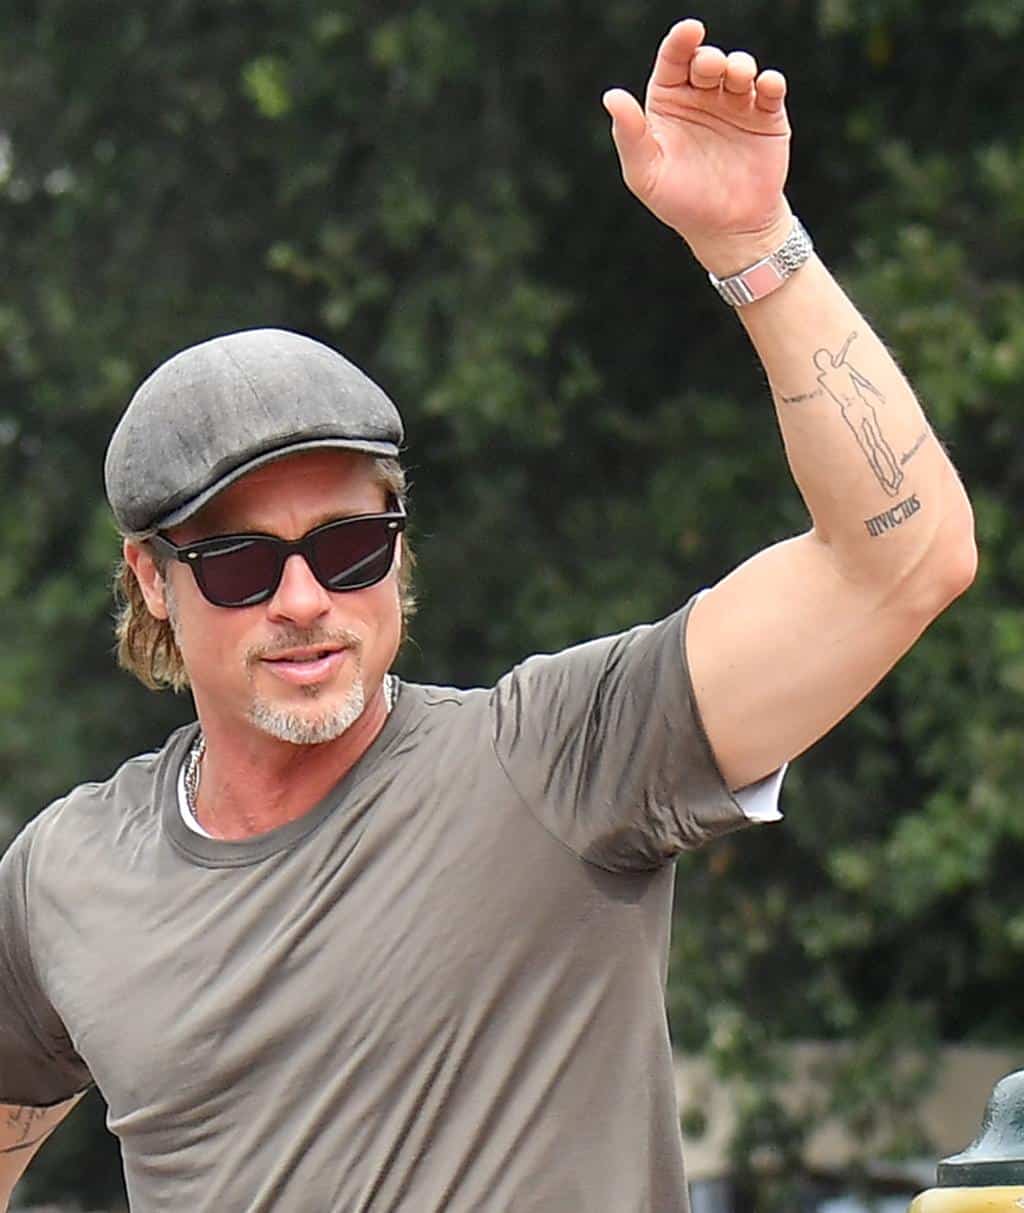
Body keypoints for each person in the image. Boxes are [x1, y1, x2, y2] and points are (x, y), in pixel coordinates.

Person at [0, 18, 975, 1213]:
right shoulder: (71, 874)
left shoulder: (558, 762)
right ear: (153, 580)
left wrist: (751, 239)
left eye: (349, 548)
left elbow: (902, 562)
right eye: (243, 565)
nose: (305, 601)